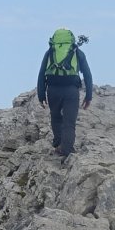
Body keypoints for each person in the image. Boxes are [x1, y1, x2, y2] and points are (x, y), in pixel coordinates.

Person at [35, 28, 94, 157]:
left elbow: (41, 74)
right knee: (69, 122)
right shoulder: (78, 52)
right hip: (71, 90)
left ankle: (58, 144)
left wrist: (41, 95)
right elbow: (87, 75)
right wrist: (89, 96)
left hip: (53, 89)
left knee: (56, 117)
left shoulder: (50, 53)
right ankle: (67, 150)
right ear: (71, 39)